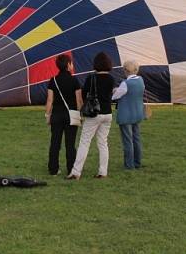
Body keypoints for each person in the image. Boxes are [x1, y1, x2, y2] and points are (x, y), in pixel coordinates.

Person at [66, 52, 115, 180]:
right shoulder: (111, 79)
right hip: (107, 113)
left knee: (84, 142)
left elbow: (84, 94)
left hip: (94, 114)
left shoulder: (91, 78)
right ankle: (103, 172)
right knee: (103, 143)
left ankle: (76, 172)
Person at [44, 54, 83, 176]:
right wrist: (80, 114)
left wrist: (47, 114)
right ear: (68, 65)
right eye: (71, 63)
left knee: (55, 142)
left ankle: (53, 169)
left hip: (56, 115)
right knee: (70, 144)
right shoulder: (74, 80)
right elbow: (79, 101)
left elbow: (50, 100)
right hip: (71, 115)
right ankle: (71, 169)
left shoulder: (53, 80)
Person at [112, 60, 145, 170]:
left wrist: (114, 90)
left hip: (126, 114)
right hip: (137, 112)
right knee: (136, 138)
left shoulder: (125, 83)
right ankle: (137, 162)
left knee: (127, 140)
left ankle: (129, 164)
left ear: (125, 70)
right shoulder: (141, 80)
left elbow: (115, 97)